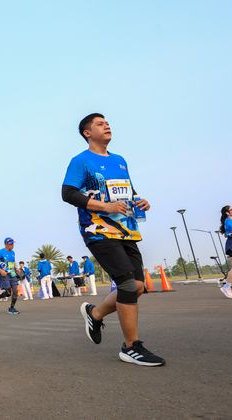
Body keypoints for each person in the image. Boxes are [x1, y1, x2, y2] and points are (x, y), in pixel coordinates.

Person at [62, 113, 164, 366]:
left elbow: (127, 190)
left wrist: (140, 200)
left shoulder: (119, 160)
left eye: (107, 122)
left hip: (127, 230)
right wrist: (105, 207)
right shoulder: (81, 160)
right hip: (97, 230)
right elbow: (68, 193)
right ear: (87, 133)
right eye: (99, 123)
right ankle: (131, 347)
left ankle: (95, 314)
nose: (106, 125)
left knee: (137, 286)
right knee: (127, 285)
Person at [0, 238, 20, 314]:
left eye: (13, 244)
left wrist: (16, 269)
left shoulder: (13, 252)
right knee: (8, 293)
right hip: (4, 274)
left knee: (15, 291)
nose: (12, 245)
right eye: (11, 244)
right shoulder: (1, 252)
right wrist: (0, 270)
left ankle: (11, 308)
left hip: (12, 273)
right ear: (6, 244)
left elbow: (12, 263)